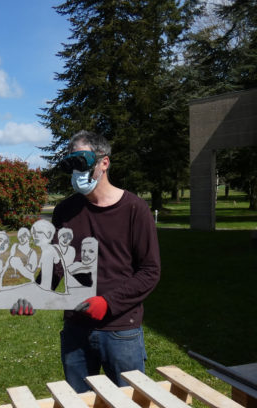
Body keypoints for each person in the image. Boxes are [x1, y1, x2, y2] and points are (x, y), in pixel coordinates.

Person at [12, 131, 161, 393]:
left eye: (82, 162)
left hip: (120, 330)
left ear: (104, 162)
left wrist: (108, 303)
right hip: (76, 329)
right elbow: (56, 264)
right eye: (71, 164)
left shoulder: (134, 209)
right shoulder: (65, 210)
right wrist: (32, 293)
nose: (77, 172)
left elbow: (150, 271)